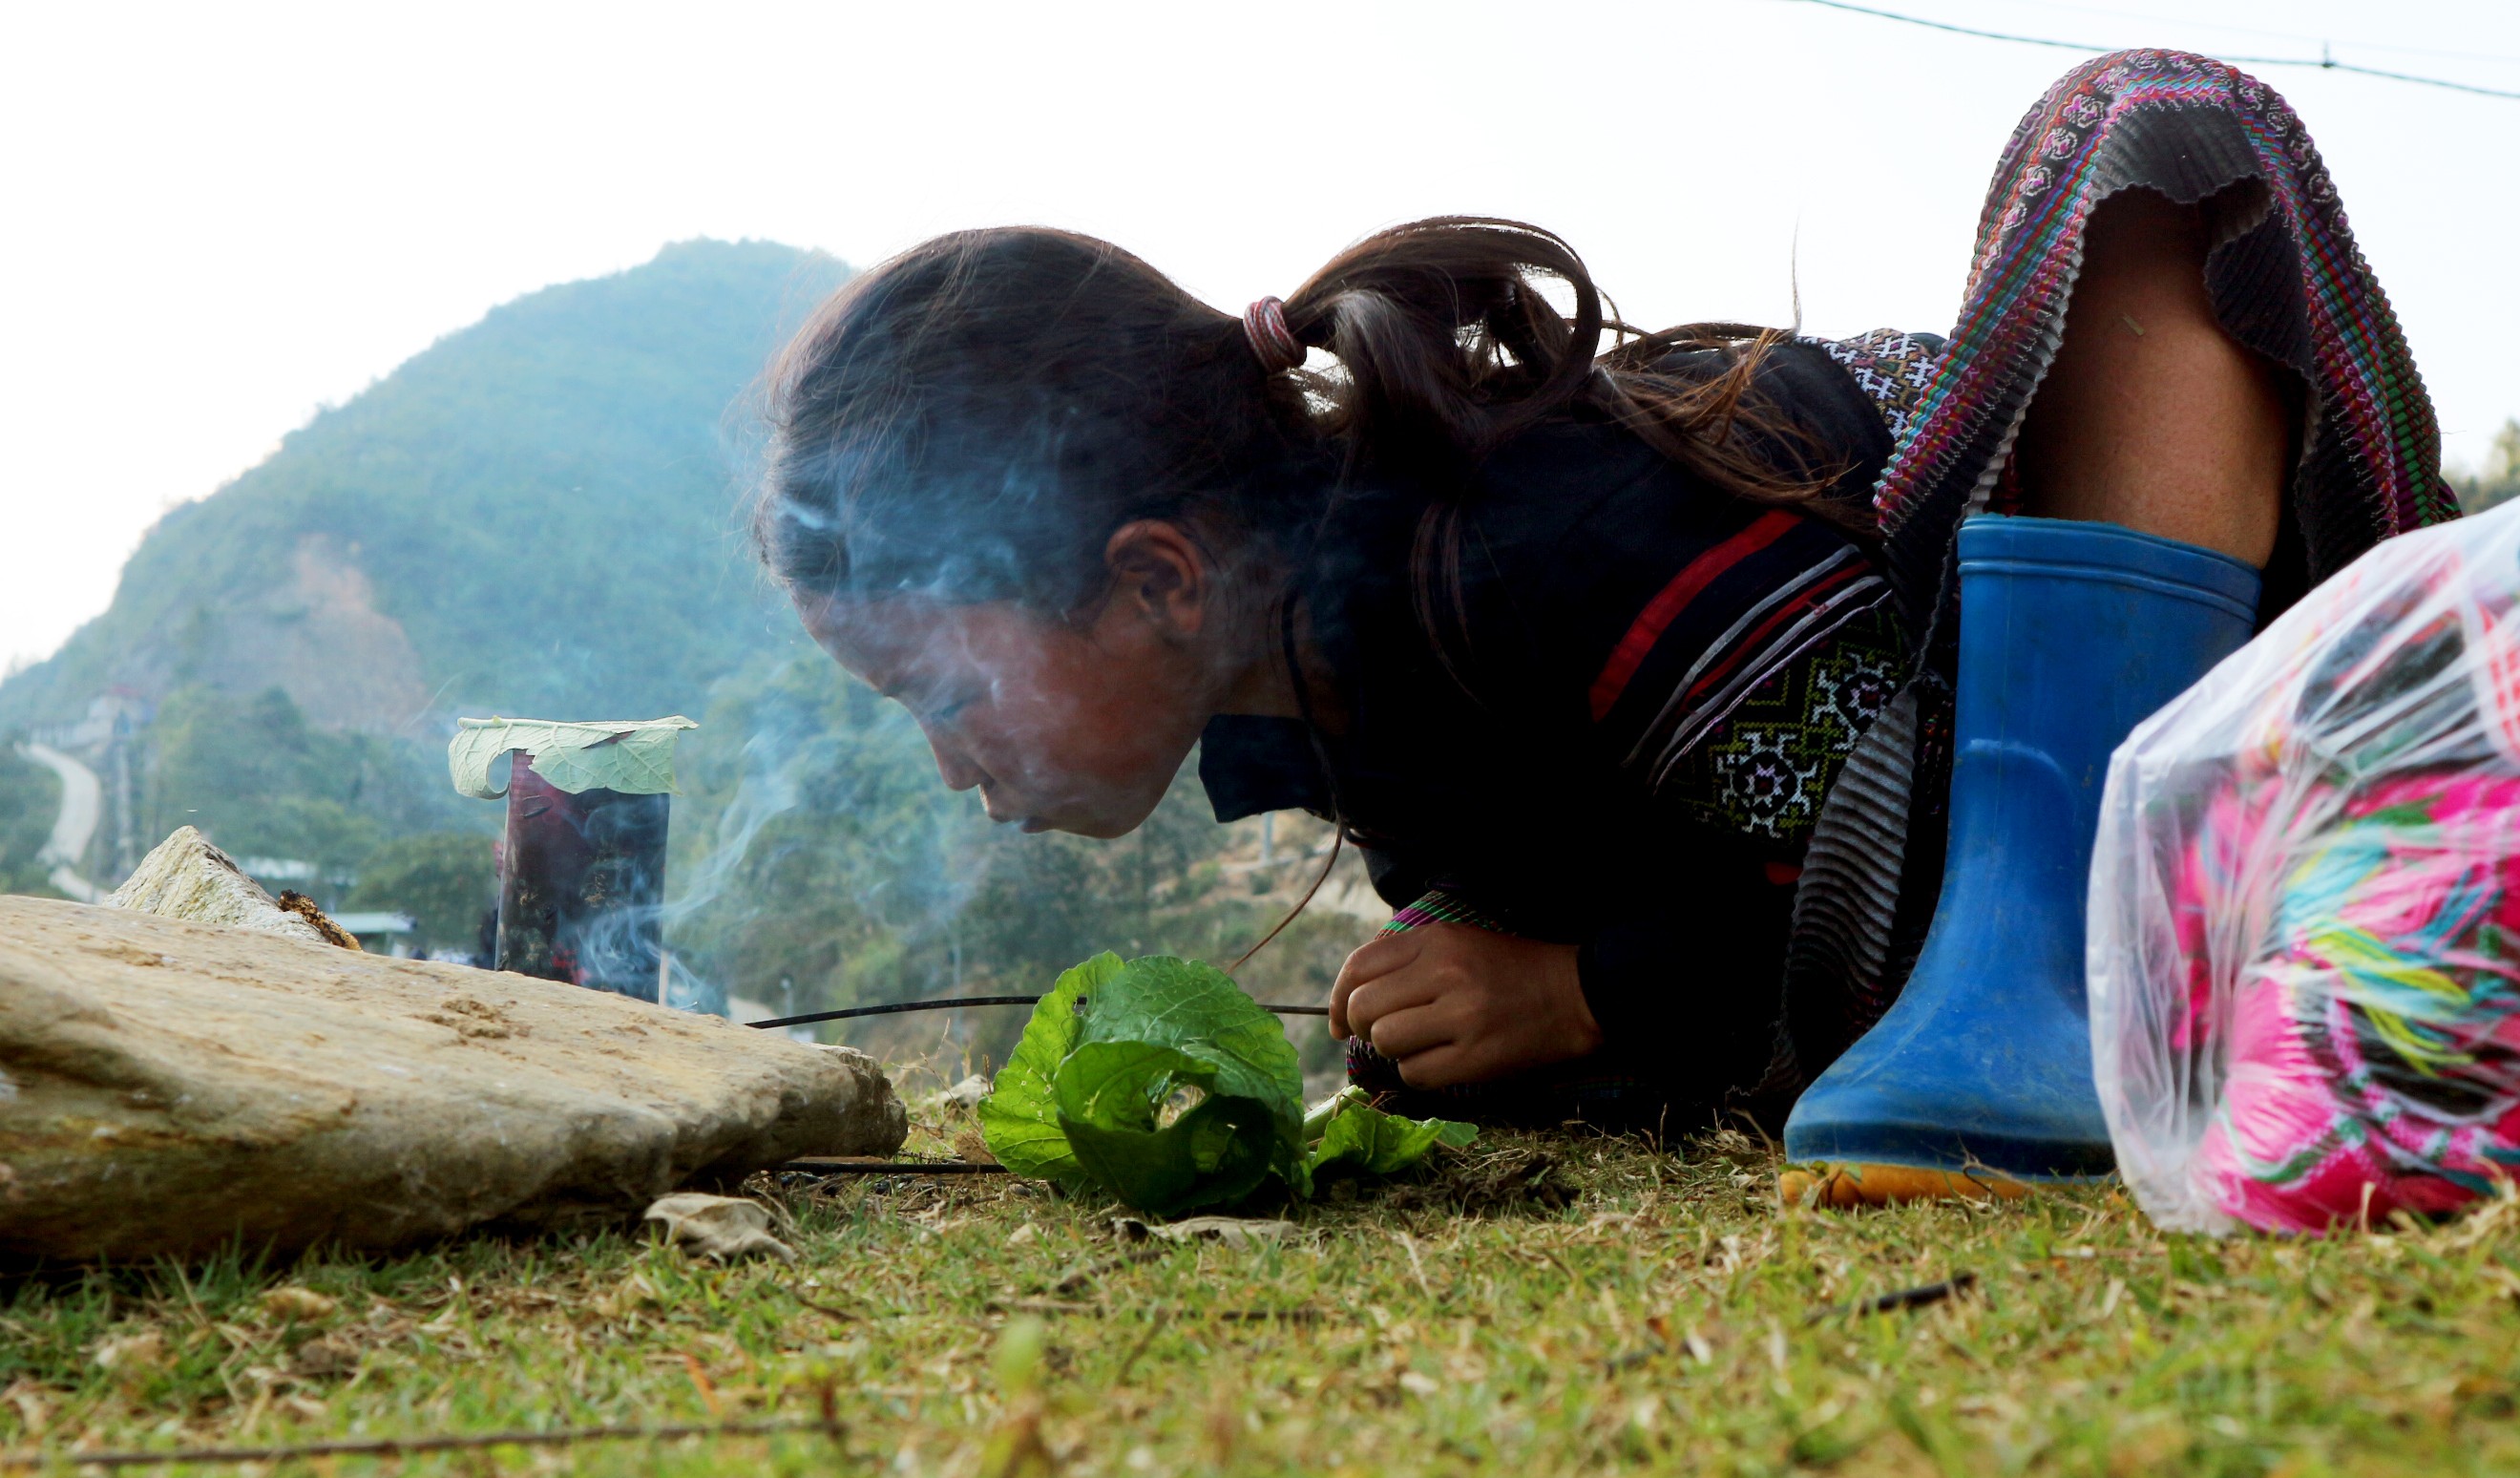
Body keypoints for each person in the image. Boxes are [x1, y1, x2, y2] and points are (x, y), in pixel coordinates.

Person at [753, 51, 2455, 1199]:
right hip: (2112, 898)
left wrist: (1581, 991)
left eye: (946, 686)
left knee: (2147, 120)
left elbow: (1878, 837)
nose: (953, 761)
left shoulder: (1550, 541)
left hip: (2263, 750)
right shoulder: (1334, 697)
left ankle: (2073, 984)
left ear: (1154, 578)